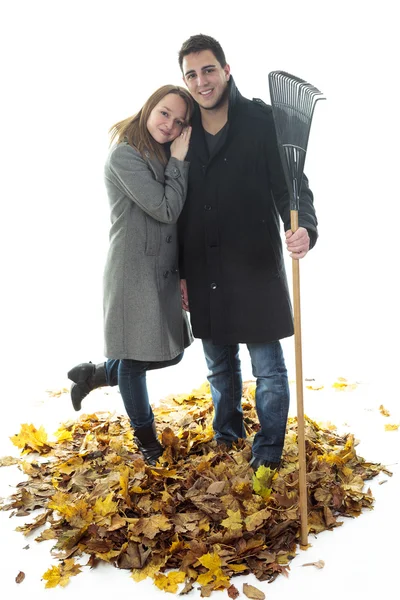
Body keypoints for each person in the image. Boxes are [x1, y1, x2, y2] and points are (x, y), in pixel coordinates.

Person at [177, 34, 318, 470]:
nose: (202, 82)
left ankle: (269, 452)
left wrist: (304, 229)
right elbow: (174, 206)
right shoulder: (182, 132)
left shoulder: (262, 120)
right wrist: (179, 271)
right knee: (219, 367)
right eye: (191, 74)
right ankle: (227, 438)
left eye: (208, 70)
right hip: (204, 268)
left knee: (269, 369)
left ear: (226, 69)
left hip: (255, 265)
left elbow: (292, 189)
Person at [67, 85, 194, 465]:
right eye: (164, 113)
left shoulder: (159, 153)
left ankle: (96, 374)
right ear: (148, 108)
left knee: (171, 353)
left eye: (179, 122)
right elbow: (166, 208)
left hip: (162, 272)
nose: (170, 125)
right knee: (136, 362)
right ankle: (148, 444)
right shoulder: (125, 156)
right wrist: (181, 160)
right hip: (133, 272)